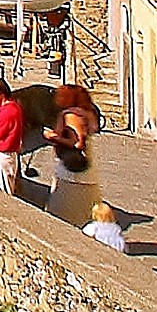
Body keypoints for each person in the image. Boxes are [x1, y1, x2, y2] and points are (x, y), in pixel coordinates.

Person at [45, 83, 102, 226]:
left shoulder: (69, 115)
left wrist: (52, 136)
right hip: (88, 165)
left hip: (71, 169)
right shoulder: (89, 114)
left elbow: (78, 142)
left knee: (63, 213)